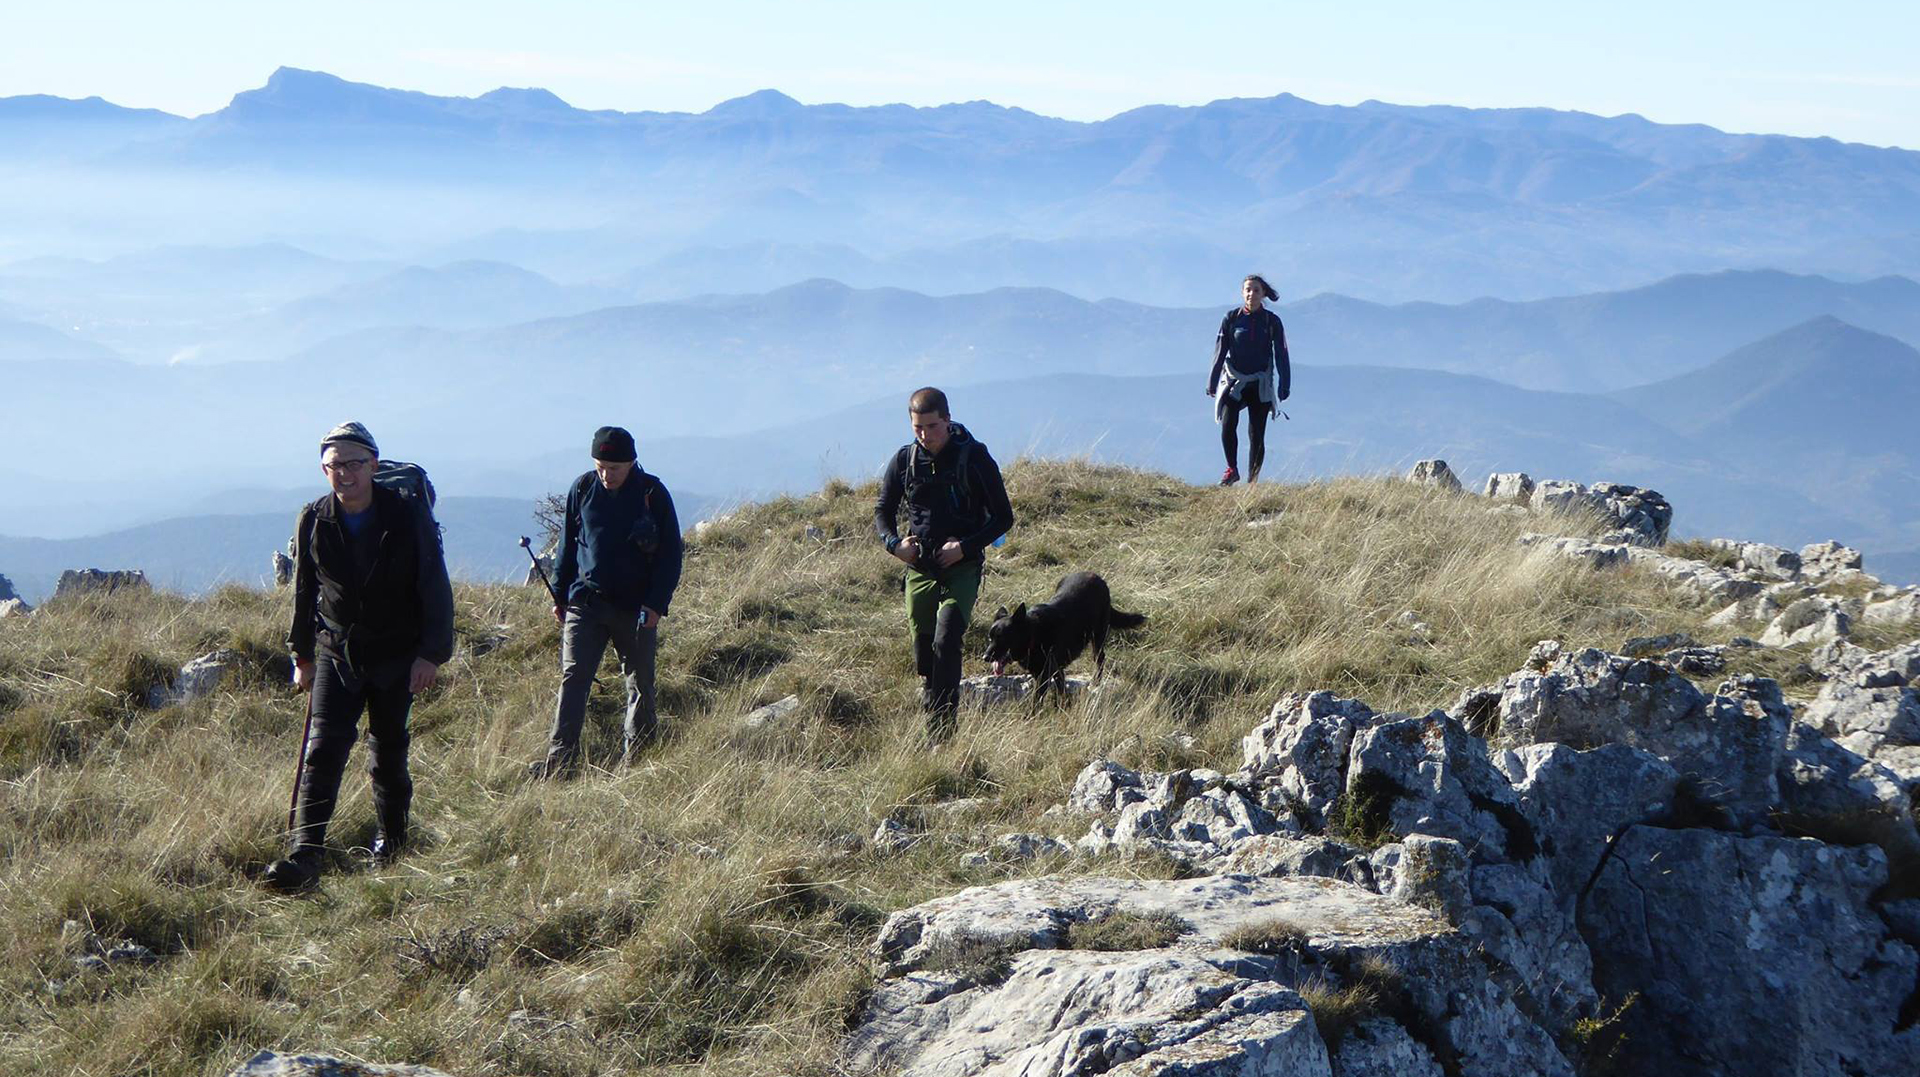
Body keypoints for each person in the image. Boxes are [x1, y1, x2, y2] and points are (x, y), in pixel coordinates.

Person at [266, 421, 453, 892]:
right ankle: (305, 855)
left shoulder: (406, 515)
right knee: (323, 750)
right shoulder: (314, 517)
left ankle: (392, 841)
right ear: (323, 470)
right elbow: (304, 589)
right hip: (336, 651)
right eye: (334, 465)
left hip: (396, 653)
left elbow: (434, 585)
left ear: (373, 464)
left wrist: (431, 654)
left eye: (353, 463)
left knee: (388, 753)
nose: (344, 473)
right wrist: (301, 655)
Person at [534, 425, 684, 777]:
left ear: (631, 462)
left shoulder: (653, 494)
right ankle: (560, 763)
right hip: (586, 603)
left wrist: (656, 604)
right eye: (600, 466)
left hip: (636, 609)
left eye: (613, 468)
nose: (606, 475)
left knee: (640, 681)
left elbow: (670, 556)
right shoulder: (583, 488)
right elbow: (568, 545)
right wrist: (560, 594)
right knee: (573, 679)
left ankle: (639, 763)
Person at [874, 387, 1015, 739]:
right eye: (917, 428)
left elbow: (1003, 518)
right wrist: (894, 546)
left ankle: (942, 732)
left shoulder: (975, 458)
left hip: (962, 566)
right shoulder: (904, 460)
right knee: (925, 652)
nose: (925, 435)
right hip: (919, 566)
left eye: (932, 426)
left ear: (948, 420)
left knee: (947, 637)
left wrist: (964, 548)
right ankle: (932, 700)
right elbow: (883, 510)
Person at [1205, 274, 1291, 485]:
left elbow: (1281, 353)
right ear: (1242, 293)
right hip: (1234, 381)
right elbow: (1220, 350)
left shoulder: (1271, 321)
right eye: (1248, 290)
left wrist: (1284, 383)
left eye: (1256, 290)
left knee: (1256, 433)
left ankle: (1252, 482)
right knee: (1227, 425)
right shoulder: (1231, 318)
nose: (1251, 293)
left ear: (1263, 295)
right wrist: (1212, 381)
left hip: (1260, 383)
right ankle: (1232, 469)